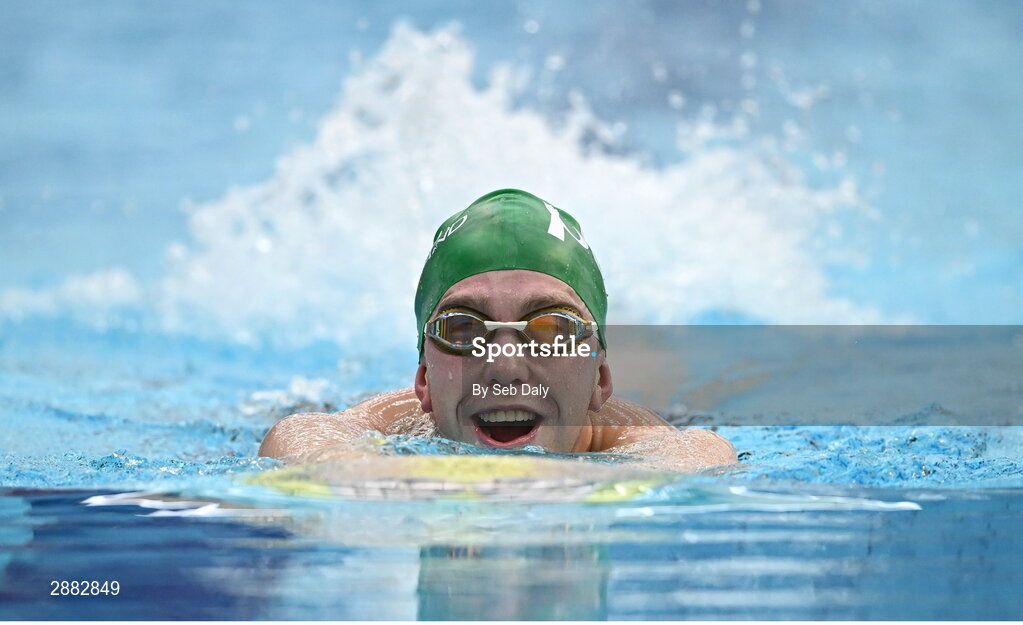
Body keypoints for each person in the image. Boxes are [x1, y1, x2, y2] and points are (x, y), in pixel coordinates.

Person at [260, 189, 736, 471]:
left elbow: (700, 458)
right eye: (463, 329)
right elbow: (296, 440)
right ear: (423, 380)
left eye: (552, 328)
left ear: (601, 379)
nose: (504, 365)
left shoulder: (676, 450)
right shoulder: (375, 432)